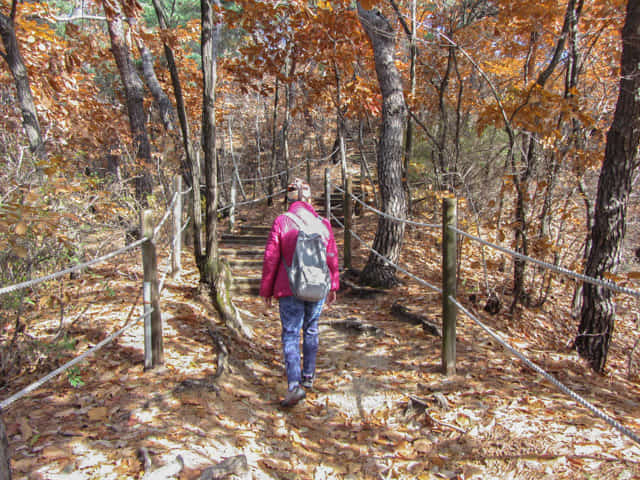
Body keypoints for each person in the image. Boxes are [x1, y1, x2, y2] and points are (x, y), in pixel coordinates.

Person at [260, 178, 339, 407]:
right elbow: (332, 256)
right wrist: (333, 285)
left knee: (291, 333)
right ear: (310, 198)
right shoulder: (323, 223)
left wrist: (266, 288)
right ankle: (309, 377)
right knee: (311, 329)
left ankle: (294, 385)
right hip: (317, 287)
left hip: (289, 287)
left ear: (289, 198)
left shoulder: (283, 221)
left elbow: (271, 258)